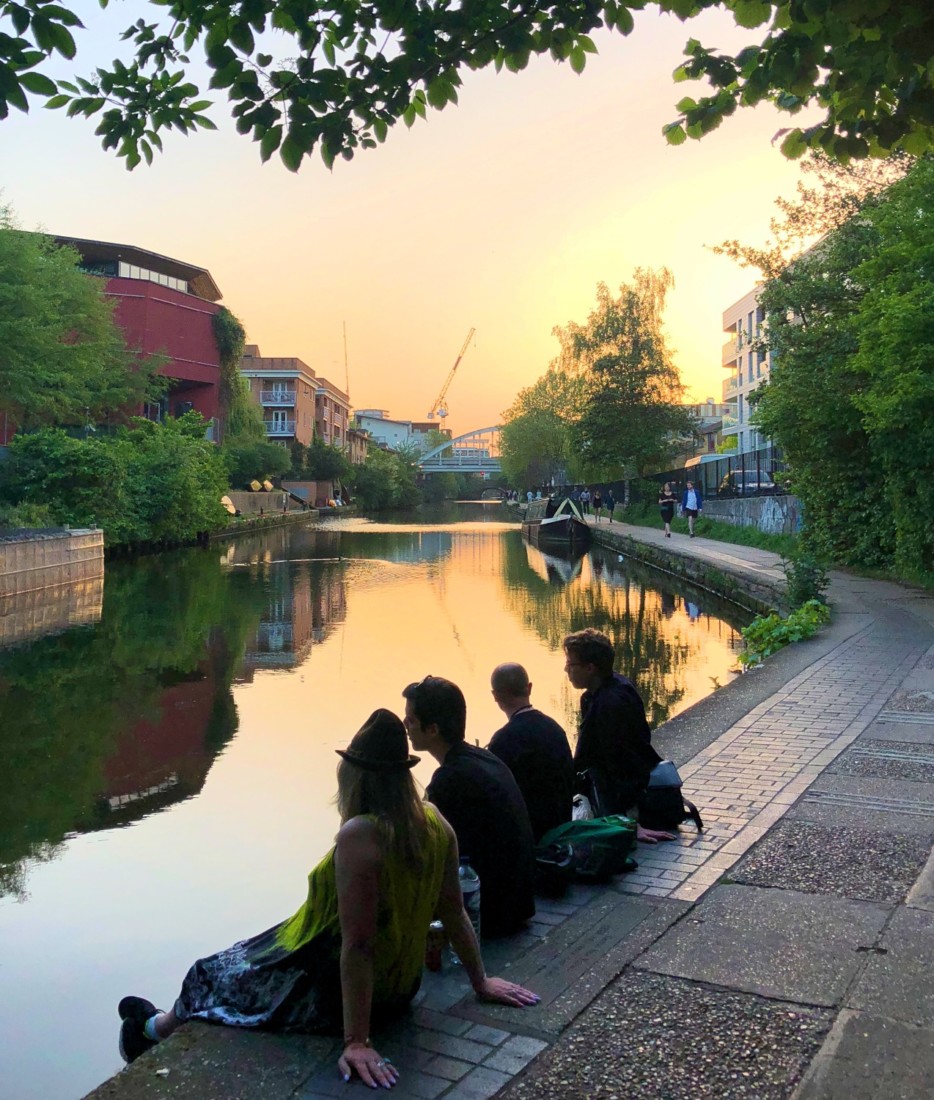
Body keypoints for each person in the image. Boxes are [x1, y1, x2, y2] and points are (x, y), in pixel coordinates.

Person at [115, 710, 538, 1088]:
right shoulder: (434, 822)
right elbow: (454, 910)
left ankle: (151, 1032)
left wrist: (356, 1041)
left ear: (358, 775)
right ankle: (154, 1024)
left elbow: (358, 945)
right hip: (401, 986)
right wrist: (481, 981)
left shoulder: (362, 836)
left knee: (208, 973)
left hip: (332, 993)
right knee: (248, 954)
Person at [402, 676, 536, 937]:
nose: (405, 725)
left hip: (491, 911)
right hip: (520, 901)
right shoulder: (484, 758)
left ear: (433, 729)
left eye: (411, 720)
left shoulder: (450, 780)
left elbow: (422, 850)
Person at [562, 629, 675, 844]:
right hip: (614, 786)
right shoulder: (601, 692)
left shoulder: (611, 703)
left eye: (570, 664)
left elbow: (622, 762)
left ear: (590, 668)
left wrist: (630, 821)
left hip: (625, 795)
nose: (566, 669)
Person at [488, 662, 574, 842]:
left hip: (528, 836)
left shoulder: (502, 741)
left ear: (495, 696)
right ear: (529, 688)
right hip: (561, 828)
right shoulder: (555, 729)